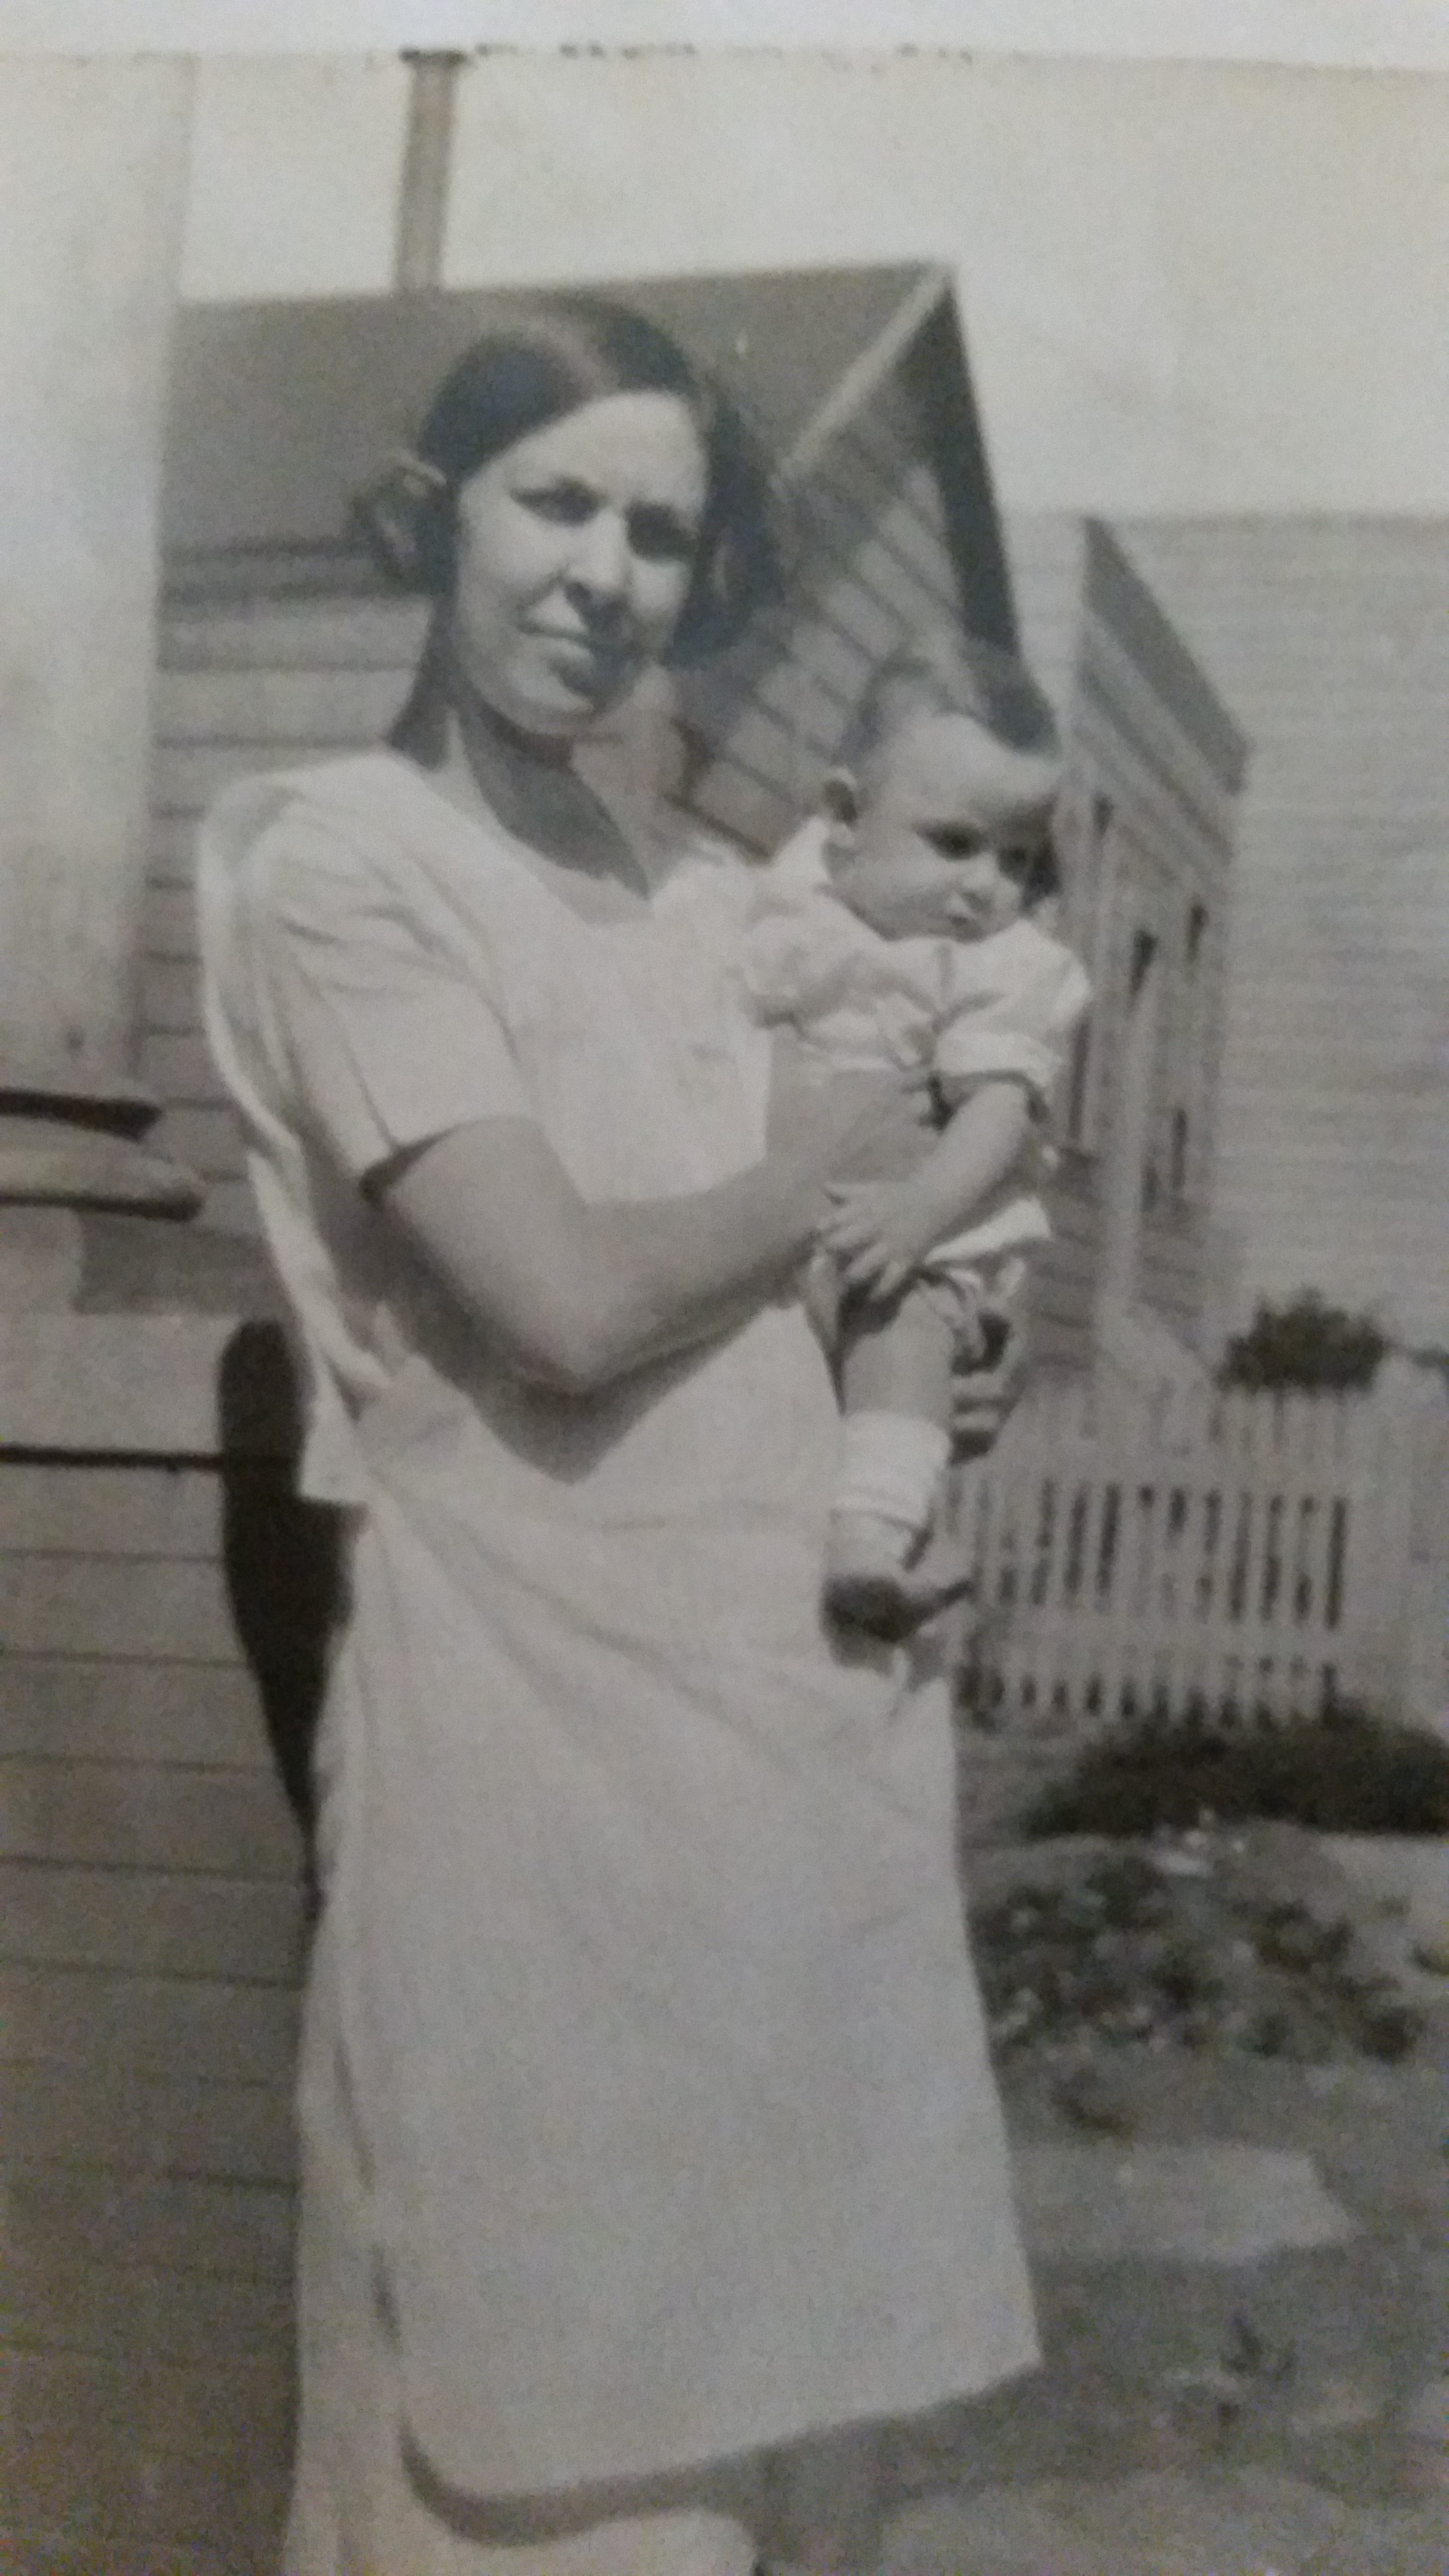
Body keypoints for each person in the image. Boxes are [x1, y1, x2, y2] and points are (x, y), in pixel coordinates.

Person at [197, 296, 1038, 2576]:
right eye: (551, 501)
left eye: (658, 533)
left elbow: (866, 1266)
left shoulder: (712, 907)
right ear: (432, 518)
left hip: (776, 1750)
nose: (601, 572)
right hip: (525, 1769)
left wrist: (920, 1397)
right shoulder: (345, 869)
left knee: (799, 2462)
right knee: (539, 2475)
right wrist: (819, 1177)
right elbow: (559, 1300)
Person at [740, 631, 1091, 1642]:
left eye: (1020, 859)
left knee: (905, 1335)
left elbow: (998, 1108)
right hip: (774, 1217)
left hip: (918, 1221)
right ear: (844, 816)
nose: (991, 887)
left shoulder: (996, 963)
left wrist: (921, 1213)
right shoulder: (792, 898)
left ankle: (873, 1535)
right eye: (955, 844)